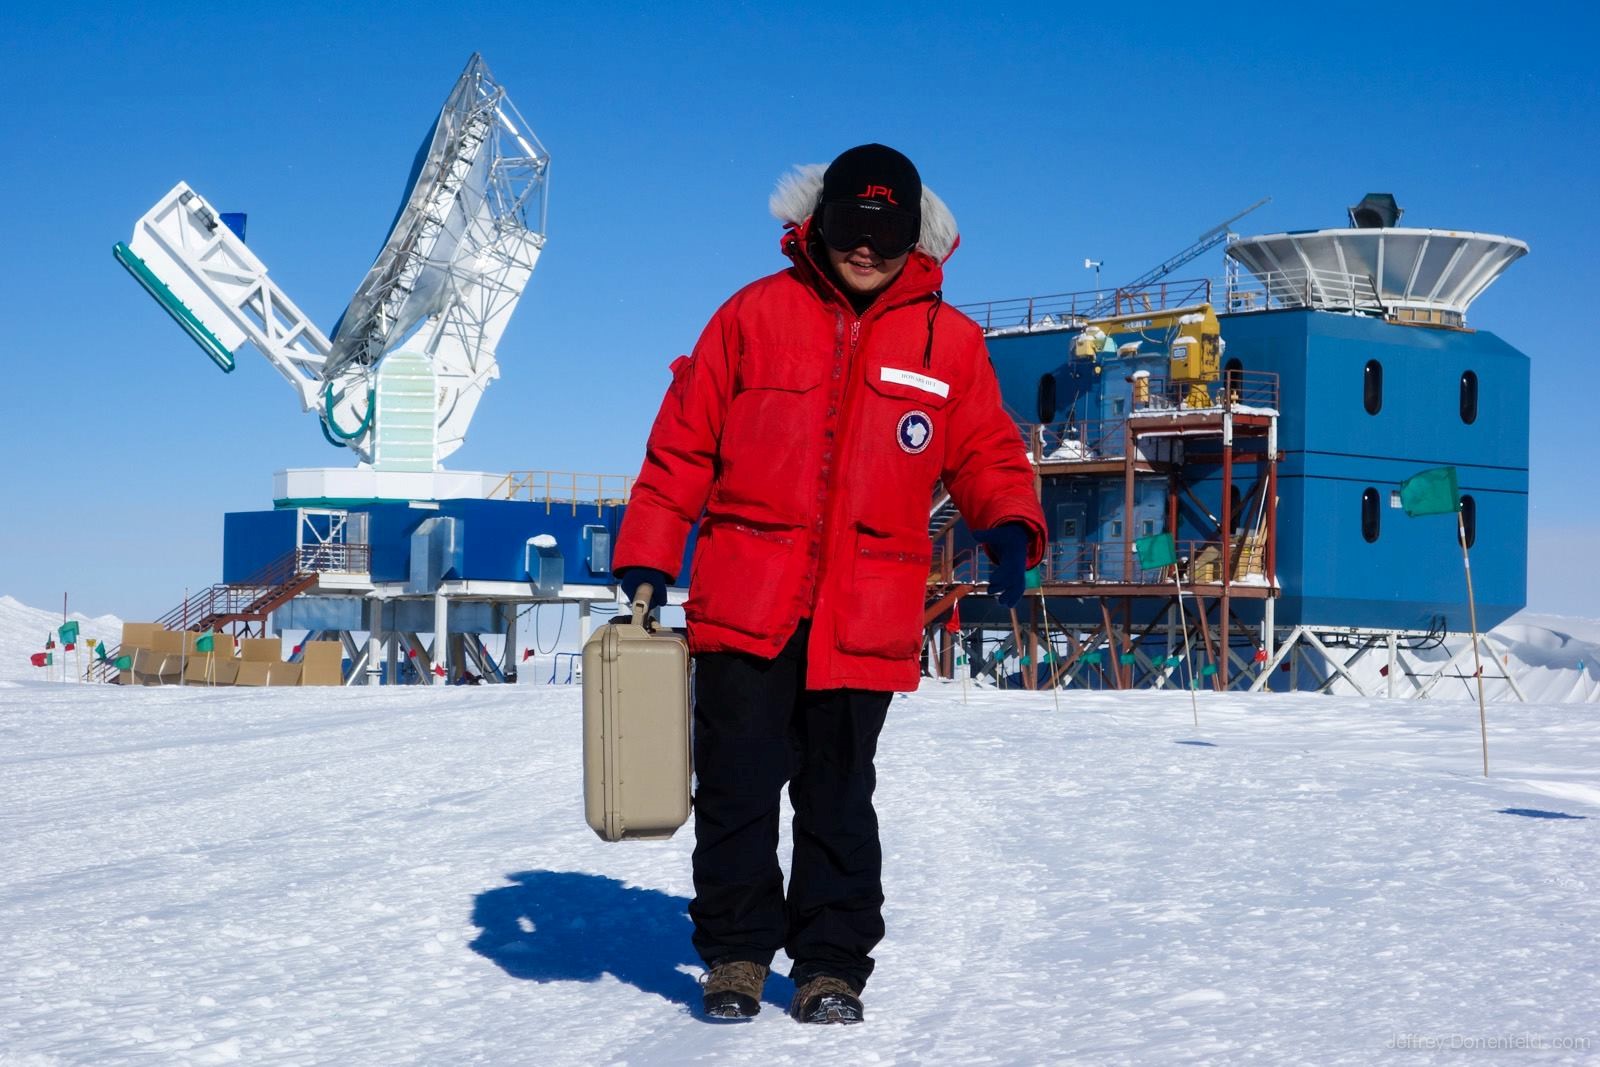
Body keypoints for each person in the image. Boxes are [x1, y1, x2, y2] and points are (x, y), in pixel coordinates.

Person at [612, 144, 1046, 1024]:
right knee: (737, 786)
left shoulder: (948, 343)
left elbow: (986, 452)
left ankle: (830, 964)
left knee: (839, 794)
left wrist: (1007, 527)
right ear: (820, 223)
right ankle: (735, 953)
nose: (865, 251)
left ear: (913, 239)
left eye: (885, 236)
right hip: (747, 601)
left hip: (866, 609)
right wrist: (652, 548)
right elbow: (684, 443)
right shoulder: (750, 317)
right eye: (851, 229)